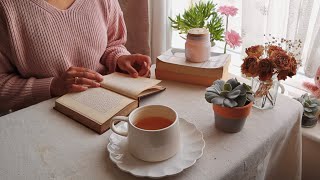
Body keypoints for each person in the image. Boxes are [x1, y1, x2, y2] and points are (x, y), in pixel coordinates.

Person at [0, 0, 151, 113]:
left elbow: (112, 43)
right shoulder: (6, 7)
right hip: (43, 120)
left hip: (106, 108)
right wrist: (53, 86)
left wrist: (120, 59)